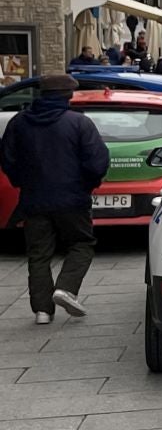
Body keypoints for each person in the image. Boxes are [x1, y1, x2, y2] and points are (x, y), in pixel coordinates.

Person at [0, 75, 109, 324]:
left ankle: (42, 310)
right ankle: (66, 287)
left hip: (33, 199)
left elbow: (8, 159)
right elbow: (97, 161)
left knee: (38, 253)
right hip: (73, 199)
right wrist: (87, 185)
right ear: (68, 95)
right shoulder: (79, 123)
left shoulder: (19, 123)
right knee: (82, 243)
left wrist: (22, 182)